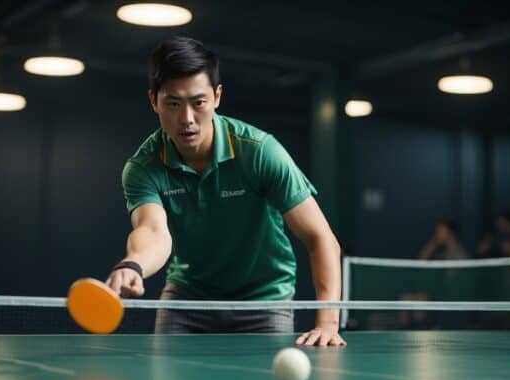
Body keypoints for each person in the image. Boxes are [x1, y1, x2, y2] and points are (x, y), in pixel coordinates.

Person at [105, 37, 345, 346]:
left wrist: (328, 324)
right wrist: (133, 263)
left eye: (198, 102)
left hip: (264, 299)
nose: (187, 119)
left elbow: (321, 237)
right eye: (173, 103)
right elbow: (152, 230)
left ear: (217, 97)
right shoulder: (144, 167)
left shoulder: (260, 153)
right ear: (154, 101)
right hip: (188, 297)